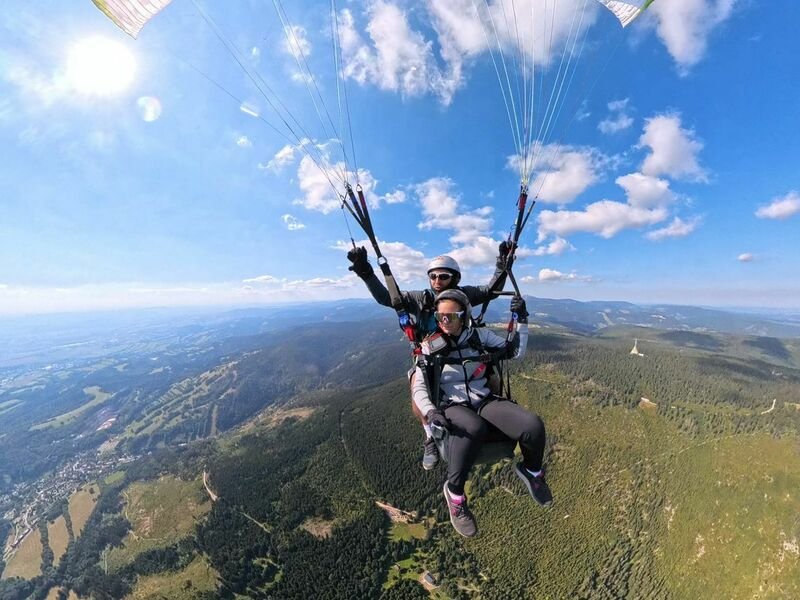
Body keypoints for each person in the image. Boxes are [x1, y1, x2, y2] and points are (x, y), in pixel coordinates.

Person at [347, 244, 513, 469]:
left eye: (443, 276)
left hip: (462, 353)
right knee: (418, 392)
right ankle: (429, 437)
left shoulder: (463, 296)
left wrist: (502, 265)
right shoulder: (420, 299)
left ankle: (493, 422)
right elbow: (389, 298)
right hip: (430, 359)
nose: (437, 281)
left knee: (492, 379)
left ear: (454, 278)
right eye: (433, 276)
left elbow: (490, 292)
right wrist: (366, 272)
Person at [412, 289, 551, 537]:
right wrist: (431, 412)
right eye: (440, 316)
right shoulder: (429, 346)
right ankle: (455, 495)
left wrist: (522, 321)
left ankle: (532, 472)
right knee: (473, 428)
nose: (444, 321)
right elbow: (419, 385)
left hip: (483, 400)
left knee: (532, 426)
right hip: (452, 405)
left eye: (451, 316)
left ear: (464, 316)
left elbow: (514, 351)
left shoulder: (480, 337)